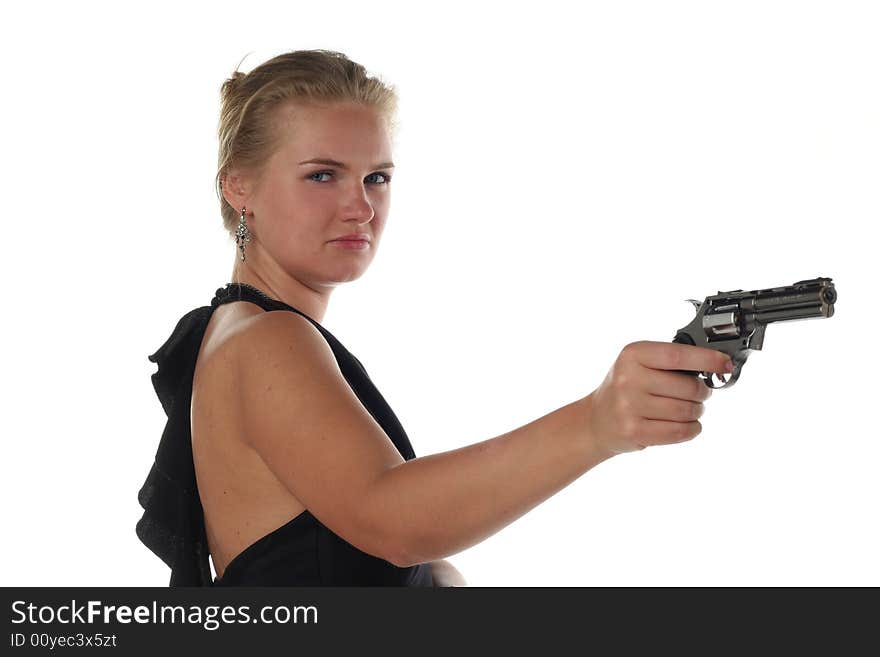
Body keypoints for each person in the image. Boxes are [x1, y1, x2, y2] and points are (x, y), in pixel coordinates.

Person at [136, 49, 733, 587]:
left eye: (377, 178)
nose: (361, 205)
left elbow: (341, 549)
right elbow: (391, 521)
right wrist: (598, 423)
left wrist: (436, 579)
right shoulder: (267, 338)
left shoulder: (241, 331)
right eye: (323, 175)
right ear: (239, 187)